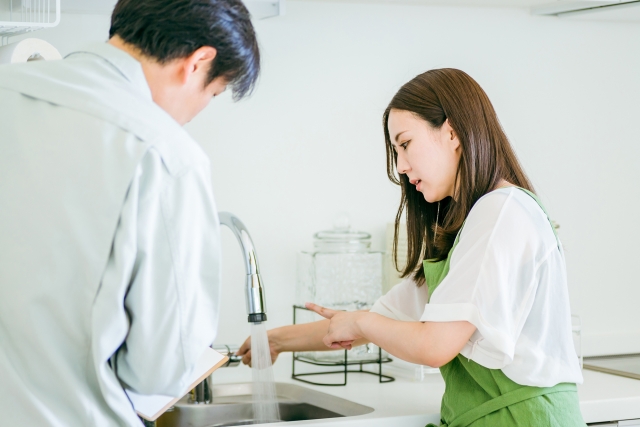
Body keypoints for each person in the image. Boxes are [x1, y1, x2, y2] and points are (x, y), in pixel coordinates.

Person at [237, 69, 586, 426]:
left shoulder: (501, 212)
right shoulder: (473, 228)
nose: (401, 167)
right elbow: (376, 320)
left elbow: (433, 346)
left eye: (405, 144)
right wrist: (272, 340)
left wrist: (361, 322)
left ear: (451, 132)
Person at [0, 0, 259, 426]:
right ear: (198, 63)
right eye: (212, 94)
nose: (198, 111)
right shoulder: (163, 154)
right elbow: (158, 369)